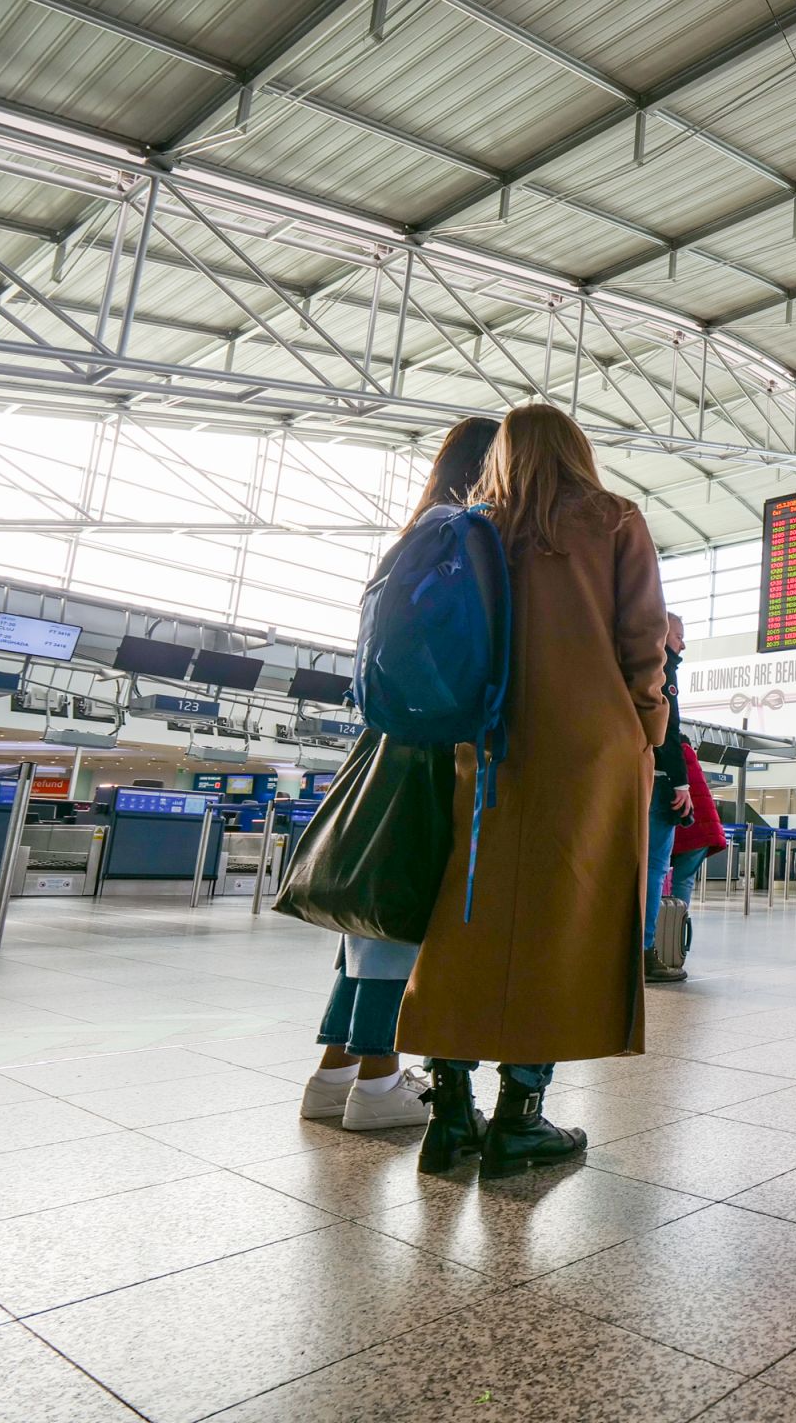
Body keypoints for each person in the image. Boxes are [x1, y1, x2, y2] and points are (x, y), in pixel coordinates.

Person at [397, 403, 669, 1179]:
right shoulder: (614, 517)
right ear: (579, 450)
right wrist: (647, 730)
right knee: (568, 919)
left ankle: (450, 1113)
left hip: (484, 746)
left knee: (462, 917)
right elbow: (642, 641)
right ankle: (522, 1114)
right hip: (590, 748)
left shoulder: (473, 525)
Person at [301, 415, 499, 1132]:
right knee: (402, 912)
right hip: (434, 741)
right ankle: (380, 1084)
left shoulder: (417, 530)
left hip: (385, 737)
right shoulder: (466, 533)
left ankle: (335, 1075)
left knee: (373, 909)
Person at [642, 613, 694, 982]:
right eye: (678, 635)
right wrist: (681, 782)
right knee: (653, 867)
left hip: (630, 777)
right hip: (658, 783)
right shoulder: (663, 668)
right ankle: (644, 953)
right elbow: (667, 727)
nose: (682, 644)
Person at [667, 739, 727, 931]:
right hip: (702, 832)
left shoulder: (674, 755)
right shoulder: (690, 757)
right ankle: (676, 934)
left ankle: (662, 931)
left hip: (687, 829)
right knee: (684, 881)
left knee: (658, 875)